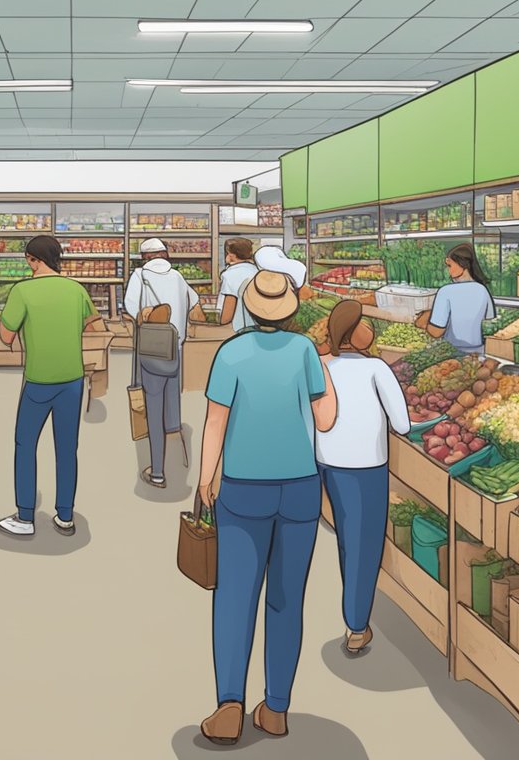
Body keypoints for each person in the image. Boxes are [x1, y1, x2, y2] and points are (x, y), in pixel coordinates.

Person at [197, 270, 338, 746]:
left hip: (243, 489)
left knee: (235, 596)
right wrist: (327, 375)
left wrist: (203, 478)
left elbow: (216, 421)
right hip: (298, 488)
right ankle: (276, 708)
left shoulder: (230, 352)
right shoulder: (304, 353)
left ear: (249, 306)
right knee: (285, 599)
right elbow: (327, 419)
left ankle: (229, 708)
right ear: (291, 308)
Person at [316, 300, 410, 656]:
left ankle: (354, 614)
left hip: (324, 461)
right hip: (365, 467)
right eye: (363, 323)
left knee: (345, 539)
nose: (369, 328)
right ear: (354, 332)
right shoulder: (376, 369)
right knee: (361, 546)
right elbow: (401, 424)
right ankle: (357, 626)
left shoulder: (323, 365)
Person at [0, 235, 105, 537]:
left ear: (33, 259)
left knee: (25, 444)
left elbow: (6, 337)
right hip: (72, 379)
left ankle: (25, 516)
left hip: (39, 380)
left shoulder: (23, 291)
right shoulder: (76, 289)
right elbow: (92, 323)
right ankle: (65, 516)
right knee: (67, 448)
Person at [123, 237, 205, 487]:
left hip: (152, 350)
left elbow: (130, 307)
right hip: (175, 348)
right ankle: (180, 461)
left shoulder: (139, 276)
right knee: (172, 407)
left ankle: (157, 471)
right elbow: (194, 302)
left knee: (153, 410)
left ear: (145, 257)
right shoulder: (178, 277)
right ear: (165, 255)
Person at [415, 243, 496, 355]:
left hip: (452, 353)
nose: (448, 270)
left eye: (450, 265)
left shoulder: (446, 291)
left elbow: (436, 332)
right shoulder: (483, 289)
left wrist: (424, 320)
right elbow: (488, 322)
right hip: (479, 352)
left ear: (462, 265)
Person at [218, 237, 259, 332]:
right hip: (257, 329)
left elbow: (226, 317)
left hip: (238, 331)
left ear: (231, 255)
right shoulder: (257, 272)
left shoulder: (229, 276)